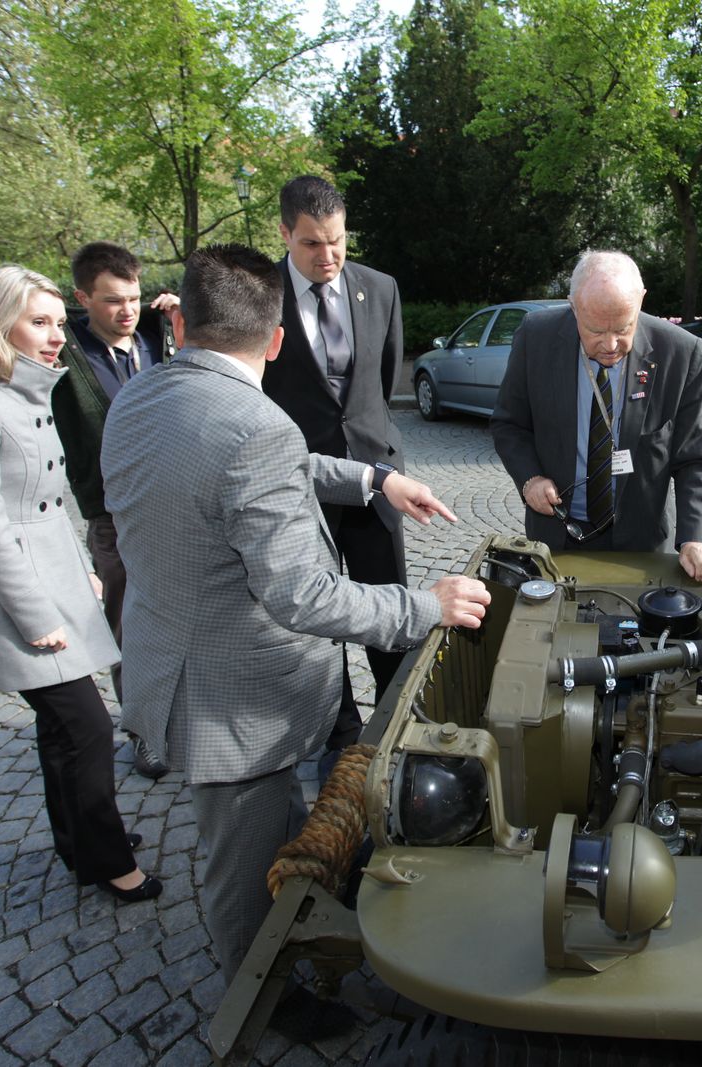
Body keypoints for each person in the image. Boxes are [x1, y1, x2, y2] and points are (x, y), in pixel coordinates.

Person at [101, 244, 490, 982]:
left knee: (266, 832)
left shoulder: (141, 394)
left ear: (180, 324)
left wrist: (374, 479)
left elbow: (261, 468)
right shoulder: (257, 425)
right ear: (277, 339)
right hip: (234, 705)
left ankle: (287, 939)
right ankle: (260, 993)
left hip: (172, 662)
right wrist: (424, 606)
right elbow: (300, 593)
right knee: (242, 868)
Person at [0, 265, 160, 905]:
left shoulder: (19, 391)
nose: (57, 336)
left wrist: (78, 572)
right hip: (14, 597)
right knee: (85, 727)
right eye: (39, 322)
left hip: (51, 579)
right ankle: (110, 861)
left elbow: (46, 507)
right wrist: (36, 616)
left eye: (59, 323)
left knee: (63, 730)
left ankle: (80, 843)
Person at [261, 175, 408, 752]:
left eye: (337, 241)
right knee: (317, 619)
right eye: (311, 244)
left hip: (375, 481)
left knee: (387, 606)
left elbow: (381, 382)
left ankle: (394, 722)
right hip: (300, 483)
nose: (328, 256)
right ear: (284, 234)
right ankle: (340, 730)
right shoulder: (260, 294)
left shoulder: (380, 288)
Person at [491, 249, 702, 583]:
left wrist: (696, 538)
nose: (611, 345)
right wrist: (530, 479)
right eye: (596, 330)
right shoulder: (536, 336)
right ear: (574, 306)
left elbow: (697, 458)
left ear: (641, 301)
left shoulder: (682, 353)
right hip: (556, 535)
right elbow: (509, 423)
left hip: (642, 545)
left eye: (623, 328)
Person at [51, 241, 178, 780]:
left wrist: (183, 316)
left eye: (133, 297)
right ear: (82, 299)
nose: (127, 310)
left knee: (181, 617)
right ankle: (143, 730)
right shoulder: (65, 353)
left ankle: (181, 716)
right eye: (111, 301)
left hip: (174, 505)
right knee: (129, 624)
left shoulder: (156, 334)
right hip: (112, 515)